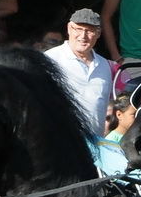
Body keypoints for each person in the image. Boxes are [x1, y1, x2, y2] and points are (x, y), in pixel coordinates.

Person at [46, 7, 119, 137]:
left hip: (95, 141)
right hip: (60, 140)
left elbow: (103, 106)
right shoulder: (51, 59)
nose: (83, 36)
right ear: (69, 28)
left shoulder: (104, 65)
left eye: (89, 31)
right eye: (78, 29)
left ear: (98, 34)